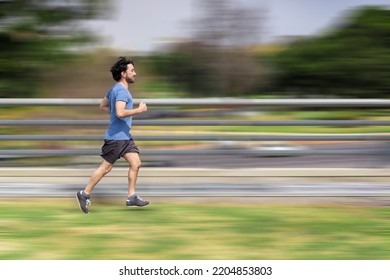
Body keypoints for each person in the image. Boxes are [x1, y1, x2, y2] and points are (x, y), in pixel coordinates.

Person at [76, 56, 150, 213]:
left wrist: (114, 114)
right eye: (132, 70)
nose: (135, 73)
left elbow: (102, 105)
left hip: (125, 137)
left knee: (136, 163)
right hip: (116, 139)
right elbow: (120, 112)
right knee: (105, 168)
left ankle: (131, 197)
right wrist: (139, 110)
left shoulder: (114, 89)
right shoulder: (122, 92)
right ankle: (84, 194)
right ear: (124, 73)